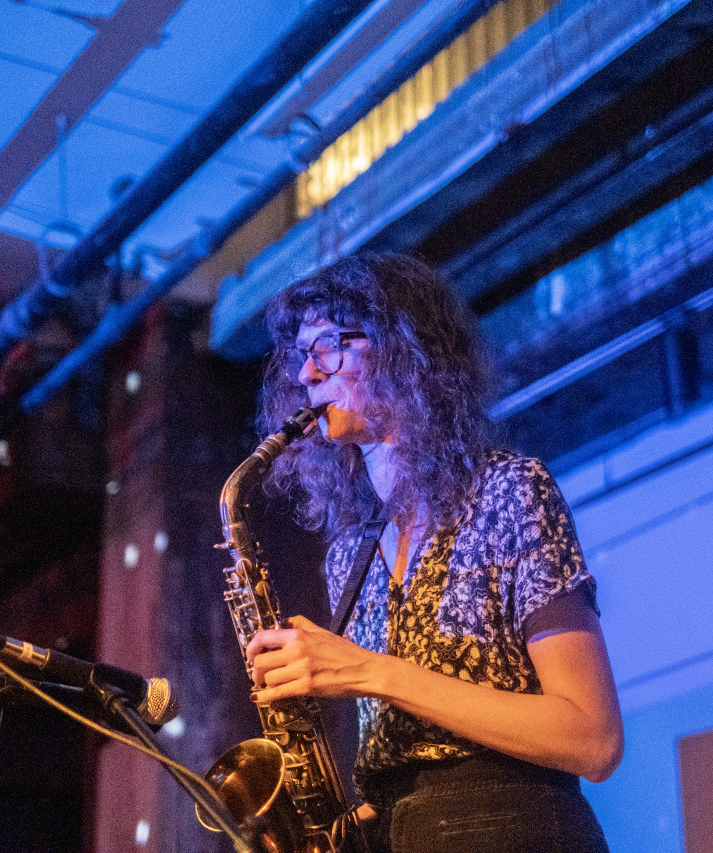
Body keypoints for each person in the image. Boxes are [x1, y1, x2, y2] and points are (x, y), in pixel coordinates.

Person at [245, 253, 622, 852]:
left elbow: (593, 738)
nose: (308, 375)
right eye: (300, 356)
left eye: (329, 347)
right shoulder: (349, 556)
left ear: (403, 350)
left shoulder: (510, 492)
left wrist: (369, 672)